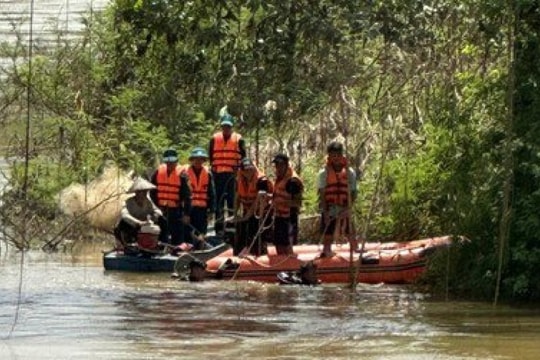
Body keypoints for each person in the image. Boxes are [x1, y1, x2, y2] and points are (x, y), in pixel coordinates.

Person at [208, 113, 246, 234]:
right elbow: (211, 156)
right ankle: (219, 228)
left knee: (232, 201)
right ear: (221, 127)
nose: (226, 129)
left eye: (228, 127)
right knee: (218, 202)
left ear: (231, 127)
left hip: (232, 175)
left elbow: (244, 158)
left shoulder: (238, 139)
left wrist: (240, 172)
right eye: (224, 126)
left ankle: (232, 227)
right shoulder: (214, 139)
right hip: (218, 175)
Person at [318, 141, 357, 257]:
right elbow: (322, 194)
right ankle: (327, 250)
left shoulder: (350, 173)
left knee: (350, 231)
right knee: (328, 232)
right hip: (330, 208)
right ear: (329, 156)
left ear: (342, 155)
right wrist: (325, 212)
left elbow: (353, 193)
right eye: (332, 155)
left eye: (338, 155)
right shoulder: (323, 173)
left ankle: (355, 250)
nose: (335, 158)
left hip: (345, 206)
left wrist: (348, 208)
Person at [150, 148, 192, 245]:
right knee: (161, 233)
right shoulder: (158, 172)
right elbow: (152, 191)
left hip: (176, 210)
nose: (170, 165)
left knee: (177, 235)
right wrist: (156, 206)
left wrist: (186, 214)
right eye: (168, 162)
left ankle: (176, 252)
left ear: (176, 161)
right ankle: (161, 252)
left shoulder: (182, 174)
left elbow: (188, 196)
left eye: (172, 162)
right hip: (161, 209)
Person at [233, 157, 273, 256]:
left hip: (261, 214)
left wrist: (246, 217)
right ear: (241, 171)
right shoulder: (239, 179)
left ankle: (260, 255)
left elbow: (258, 202)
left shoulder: (261, 181)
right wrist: (235, 214)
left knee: (257, 237)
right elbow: (237, 197)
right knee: (242, 235)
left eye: (250, 169)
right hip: (247, 211)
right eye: (246, 170)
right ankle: (243, 254)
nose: (248, 172)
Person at [113, 177, 163, 250]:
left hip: (144, 228)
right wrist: (139, 223)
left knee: (162, 220)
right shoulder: (128, 202)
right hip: (131, 227)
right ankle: (125, 245)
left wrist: (154, 217)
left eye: (145, 191)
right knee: (122, 223)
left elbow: (158, 211)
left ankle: (159, 245)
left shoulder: (148, 202)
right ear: (136, 192)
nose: (144, 194)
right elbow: (124, 215)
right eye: (141, 192)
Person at [271, 153, 303, 255]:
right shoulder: (279, 177)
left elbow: (297, 203)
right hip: (278, 216)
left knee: (287, 246)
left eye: (281, 165)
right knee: (278, 244)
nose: (278, 168)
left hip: (289, 217)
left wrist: (282, 202)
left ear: (286, 165)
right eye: (276, 165)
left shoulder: (293, 181)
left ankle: (291, 267)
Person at [184, 147, 216, 248]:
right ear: (192, 160)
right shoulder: (185, 174)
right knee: (188, 232)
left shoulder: (208, 174)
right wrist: (185, 213)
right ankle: (188, 250)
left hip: (202, 208)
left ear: (203, 160)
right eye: (196, 159)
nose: (198, 161)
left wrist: (212, 210)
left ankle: (201, 249)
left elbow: (212, 193)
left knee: (201, 232)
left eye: (200, 159)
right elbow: (183, 193)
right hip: (189, 208)